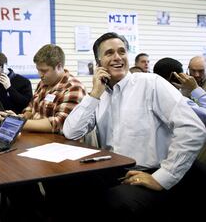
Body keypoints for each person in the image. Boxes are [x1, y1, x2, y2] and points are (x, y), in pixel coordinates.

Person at [62, 32, 206, 218]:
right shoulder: (101, 95)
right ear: (98, 64)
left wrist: (161, 178)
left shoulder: (150, 83)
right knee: (66, 186)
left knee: (113, 201)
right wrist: (95, 93)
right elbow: (71, 131)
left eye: (122, 51)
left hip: (150, 172)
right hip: (114, 171)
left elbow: (193, 129)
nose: (117, 57)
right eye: (109, 53)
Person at [5, 44, 86, 133]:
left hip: (57, 143)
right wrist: (25, 115)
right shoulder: (43, 83)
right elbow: (31, 106)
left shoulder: (74, 88)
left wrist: (18, 123)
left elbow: (59, 123)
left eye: (44, 71)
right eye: (38, 70)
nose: (40, 75)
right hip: (36, 138)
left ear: (59, 67)